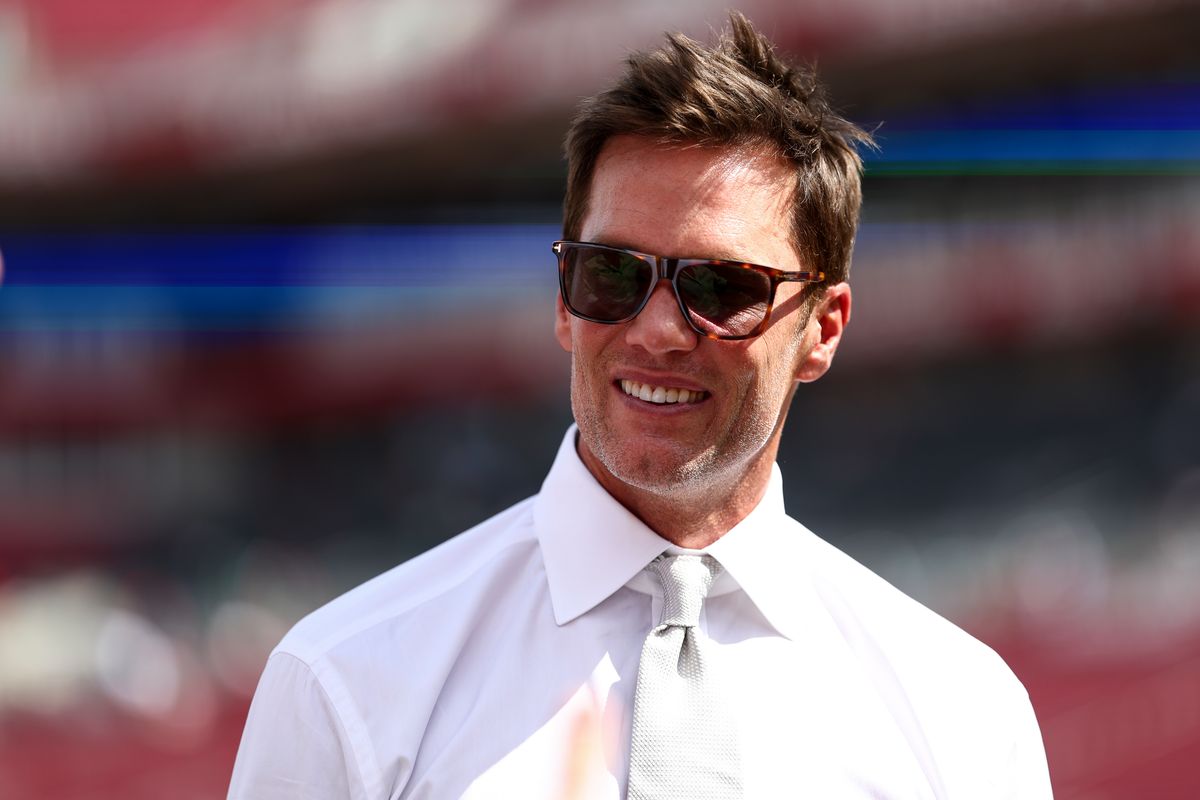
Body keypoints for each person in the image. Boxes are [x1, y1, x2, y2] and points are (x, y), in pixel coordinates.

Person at [228, 13, 1052, 799]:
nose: (657, 331)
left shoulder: (963, 715)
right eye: (613, 276)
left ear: (823, 328)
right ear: (563, 297)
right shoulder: (344, 682)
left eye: (723, 287)